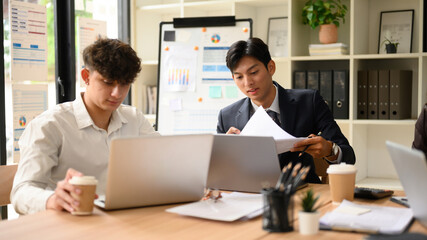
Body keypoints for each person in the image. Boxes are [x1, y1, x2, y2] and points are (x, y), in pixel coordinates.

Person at [11, 38, 159, 215]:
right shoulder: (50, 125)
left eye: (125, 83)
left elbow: (165, 162)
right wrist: (52, 199)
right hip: (68, 225)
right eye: (108, 82)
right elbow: (21, 193)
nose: (117, 93)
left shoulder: (134, 119)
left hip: (120, 221)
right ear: (86, 77)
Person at [217, 38, 355, 183]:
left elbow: (348, 156)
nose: (247, 83)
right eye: (239, 77)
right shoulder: (227, 116)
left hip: (301, 193)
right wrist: (228, 154)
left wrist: (329, 150)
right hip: (248, 196)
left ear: (271, 67)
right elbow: (219, 175)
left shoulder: (309, 102)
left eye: (253, 72)